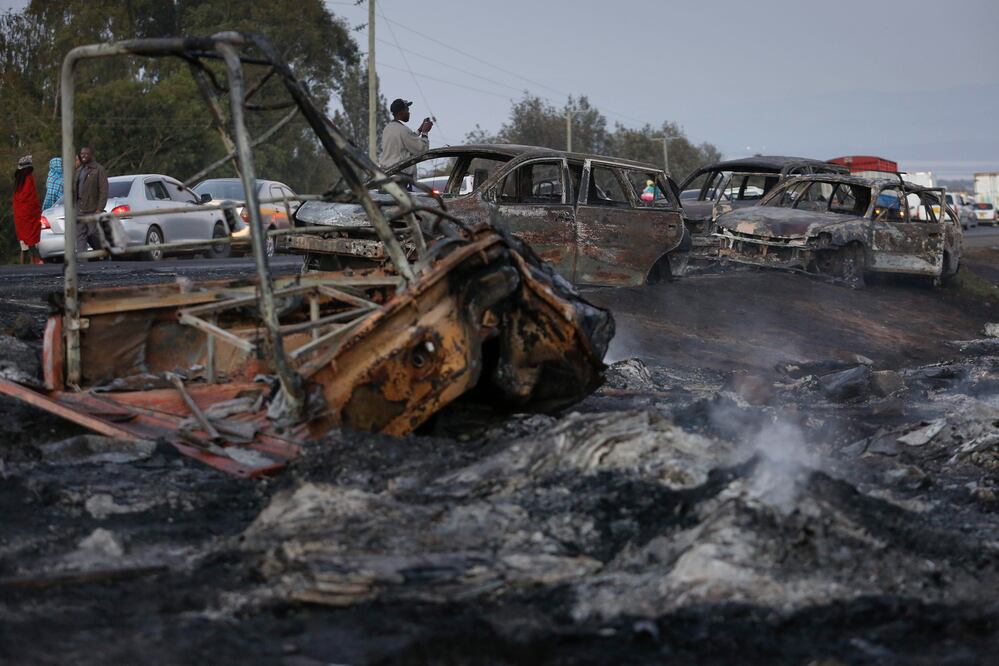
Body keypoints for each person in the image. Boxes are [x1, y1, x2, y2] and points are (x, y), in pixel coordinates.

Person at [379, 98, 432, 186]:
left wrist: (420, 129)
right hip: (401, 179)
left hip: (387, 176)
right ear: (400, 113)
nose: (409, 113)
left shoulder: (388, 128)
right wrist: (425, 132)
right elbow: (422, 149)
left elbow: (407, 140)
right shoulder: (403, 130)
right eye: (407, 110)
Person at [75, 146, 108, 257]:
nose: (83, 155)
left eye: (86, 153)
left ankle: (103, 251)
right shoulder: (79, 169)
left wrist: (100, 208)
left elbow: (104, 190)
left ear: (91, 155)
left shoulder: (99, 169)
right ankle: (82, 260)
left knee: (93, 233)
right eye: (82, 153)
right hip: (79, 208)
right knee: (80, 235)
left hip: (92, 208)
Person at [13, 155, 43, 265]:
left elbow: (19, 200)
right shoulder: (29, 178)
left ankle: (26, 266)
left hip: (20, 216)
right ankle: (37, 261)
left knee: (24, 245)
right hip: (30, 215)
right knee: (31, 241)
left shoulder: (18, 181)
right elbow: (31, 199)